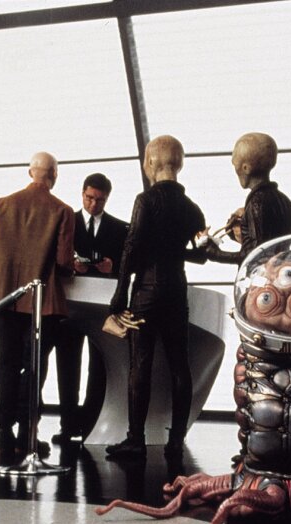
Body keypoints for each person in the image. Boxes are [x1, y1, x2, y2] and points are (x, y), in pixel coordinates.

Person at [105, 135, 206, 460]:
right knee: (180, 365)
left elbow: (131, 247)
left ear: (150, 163)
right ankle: (175, 441)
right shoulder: (191, 208)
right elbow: (201, 255)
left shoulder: (145, 200)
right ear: (179, 164)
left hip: (146, 292)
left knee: (140, 365)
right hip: (177, 291)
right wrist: (174, 249)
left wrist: (119, 295)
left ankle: (135, 439)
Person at [0, 152, 75, 454]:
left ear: (29, 172)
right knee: (34, 368)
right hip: (42, 305)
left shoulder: (2, 205)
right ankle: (27, 433)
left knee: (5, 364)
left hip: (6, 299)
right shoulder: (62, 210)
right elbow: (64, 262)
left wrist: (5, 273)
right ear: (54, 175)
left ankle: (3, 430)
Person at [52, 173, 128, 444]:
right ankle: (68, 425)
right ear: (82, 193)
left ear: (107, 199)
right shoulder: (65, 222)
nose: (94, 204)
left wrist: (113, 267)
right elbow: (51, 259)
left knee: (100, 367)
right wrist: (70, 265)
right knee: (67, 365)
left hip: (102, 307)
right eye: (89, 198)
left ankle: (90, 425)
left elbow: (130, 266)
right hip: (71, 305)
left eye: (100, 200)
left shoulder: (120, 228)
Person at [201, 132, 291, 264]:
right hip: (279, 272)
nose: (235, 169)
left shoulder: (257, 203)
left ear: (246, 168)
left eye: (235, 164)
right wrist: (240, 228)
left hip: (259, 276)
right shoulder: (286, 202)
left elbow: (253, 256)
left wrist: (212, 251)